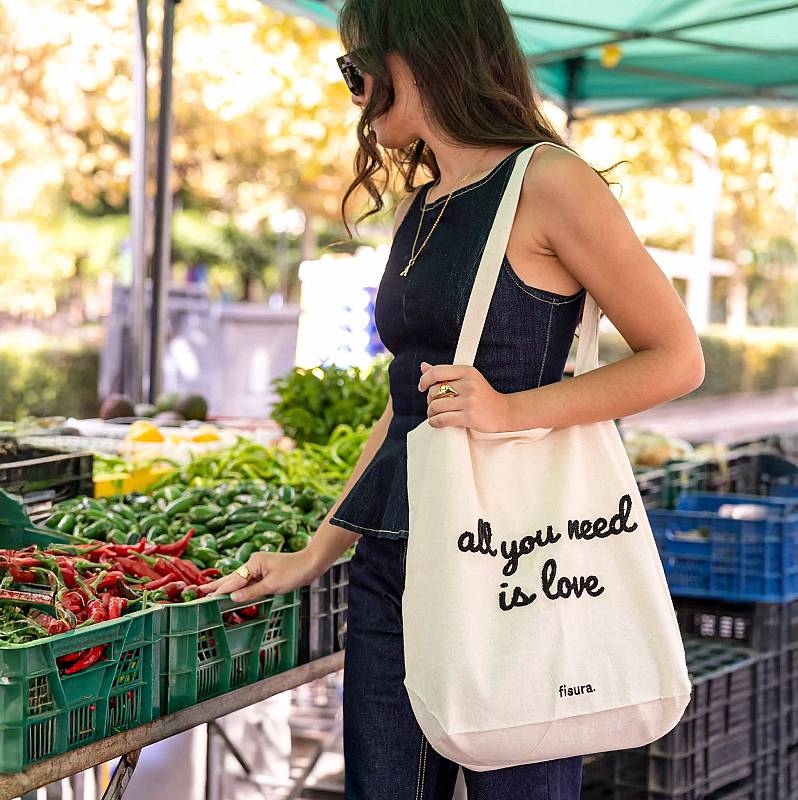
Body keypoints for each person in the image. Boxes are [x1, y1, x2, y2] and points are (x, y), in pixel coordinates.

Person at [201, 1, 706, 797]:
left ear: (418, 54)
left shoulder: (549, 182)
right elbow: (409, 408)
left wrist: (511, 411)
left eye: (355, 69)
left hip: (518, 560)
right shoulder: (421, 206)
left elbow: (676, 359)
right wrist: (315, 553)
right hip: (396, 566)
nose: (355, 93)